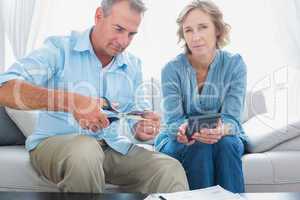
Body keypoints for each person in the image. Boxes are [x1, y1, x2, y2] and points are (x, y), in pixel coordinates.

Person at [0, 0, 189, 193]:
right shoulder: (59, 49)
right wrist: (72, 102)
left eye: (131, 34)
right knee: (85, 151)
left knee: (168, 168)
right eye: (118, 29)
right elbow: (4, 88)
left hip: (112, 147)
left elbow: (137, 113)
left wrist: (142, 126)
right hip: (56, 143)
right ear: (99, 16)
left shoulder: (132, 65)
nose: (124, 41)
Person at [155, 0, 247, 193]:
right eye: (188, 30)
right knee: (198, 145)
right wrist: (182, 130)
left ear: (217, 30)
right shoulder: (171, 69)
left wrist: (222, 129)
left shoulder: (234, 65)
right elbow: (173, 121)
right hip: (178, 140)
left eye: (203, 27)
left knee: (227, 143)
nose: (195, 37)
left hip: (223, 138)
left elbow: (232, 119)